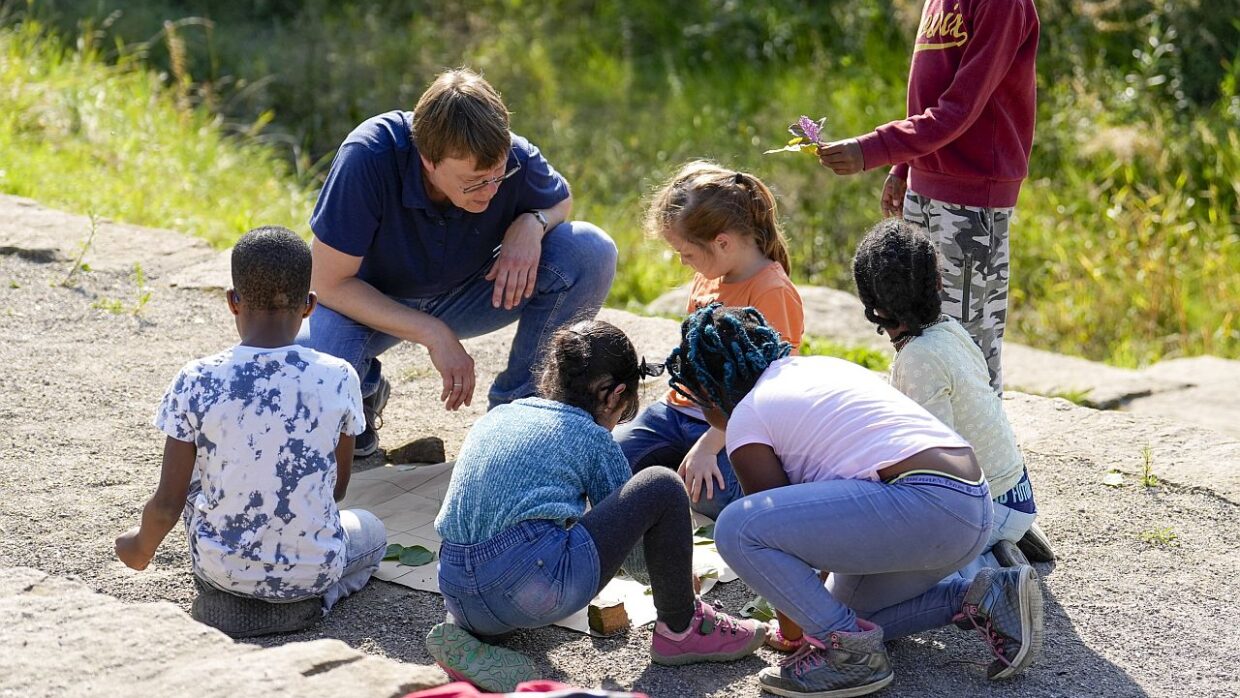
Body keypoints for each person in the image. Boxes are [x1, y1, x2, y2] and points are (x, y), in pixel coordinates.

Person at [668, 305, 1043, 696]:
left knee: (736, 527)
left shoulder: (747, 417)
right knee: (842, 613)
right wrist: (818, 620)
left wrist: (796, 635)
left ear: (710, 391)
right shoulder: (816, 368)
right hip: (971, 505)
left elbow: (771, 538)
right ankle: (985, 595)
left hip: (924, 501)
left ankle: (850, 658)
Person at [426, 320, 766, 693]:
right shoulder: (590, 435)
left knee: (509, 548)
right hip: (524, 588)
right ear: (613, 395)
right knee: (661, 485)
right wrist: (677, 581)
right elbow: (635, 554)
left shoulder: (503, 413)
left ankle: (467, 636)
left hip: (456, 586)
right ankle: (683, 628)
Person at [302, 68, 617, 456]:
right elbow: (327, 283)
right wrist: (433, 333)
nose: (489, 191)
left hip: (468, 293)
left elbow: (560, 199)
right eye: (473, 182)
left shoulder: (511, 154)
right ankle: (362, 390)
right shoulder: (368, 154)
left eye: (498, 175)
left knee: (590, 249)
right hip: (366, 303)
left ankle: (519, 413)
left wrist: (532, 224)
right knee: (309, 376)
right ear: (428, 160)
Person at [114, 226, 387, 625]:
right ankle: (314, 600)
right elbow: (338, 488)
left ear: (232, 302)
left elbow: (168, 504)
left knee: (198, 480)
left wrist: (139, 548)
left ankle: (237, 598)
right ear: (309, 305)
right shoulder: (340, 377)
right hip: (313, 570)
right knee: (373, 532)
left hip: (221, 571)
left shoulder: (197, 378)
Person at [817, 0, 1040, 395]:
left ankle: (980, 453)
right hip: (924, 185)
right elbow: (927, 98)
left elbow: (961, 107)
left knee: (964, 339)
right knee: (915, 324)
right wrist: (904, 166)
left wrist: (874, 148)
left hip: (972, 197)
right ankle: (924, 438)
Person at [852, 218, 1053, 560]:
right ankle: (1006, 537)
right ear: (939, 283)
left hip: (987, 508)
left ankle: (985, 568)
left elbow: (936, 470)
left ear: (875, 309)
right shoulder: (950, 331)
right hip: (1017, 492)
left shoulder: (918, 358)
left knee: (871, 538)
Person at [613, 161, 803, 520]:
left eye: (687, 253)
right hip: (675, 412)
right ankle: (672, 474)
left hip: (734, 424)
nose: (685, 263)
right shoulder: (709, 276)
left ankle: (676, 476)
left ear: (723, 242)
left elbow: (765, 392)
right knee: (607, 466)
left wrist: (708, 444)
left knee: (720, 499)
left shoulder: (773, 291)